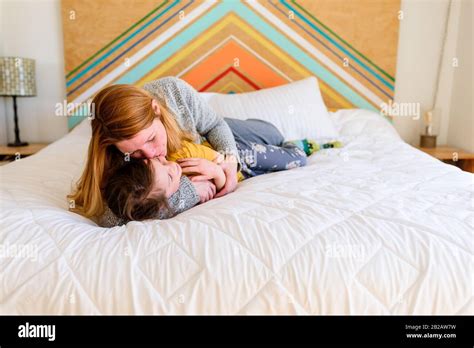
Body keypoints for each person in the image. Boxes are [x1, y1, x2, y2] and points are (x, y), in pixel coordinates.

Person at [68, 77, 241, 227]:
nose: (150, 155)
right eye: (135, 152)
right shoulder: (116, 151)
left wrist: (231, 160)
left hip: (237, 133)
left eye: (151, 139)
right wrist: (187, 193)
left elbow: (215, 124)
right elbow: (112, 219)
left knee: (267, 134)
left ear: (156, 109)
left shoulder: (174, 92)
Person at [103, 117, 308, 222]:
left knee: (295, 156)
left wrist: (217, 172)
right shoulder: (161, 194)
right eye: (169, 175)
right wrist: (217, 179)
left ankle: (295, 143)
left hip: (235, 152)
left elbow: (229, 171)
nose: (171, 165)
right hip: (240, 172)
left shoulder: (183, 157)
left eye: (161, 162)